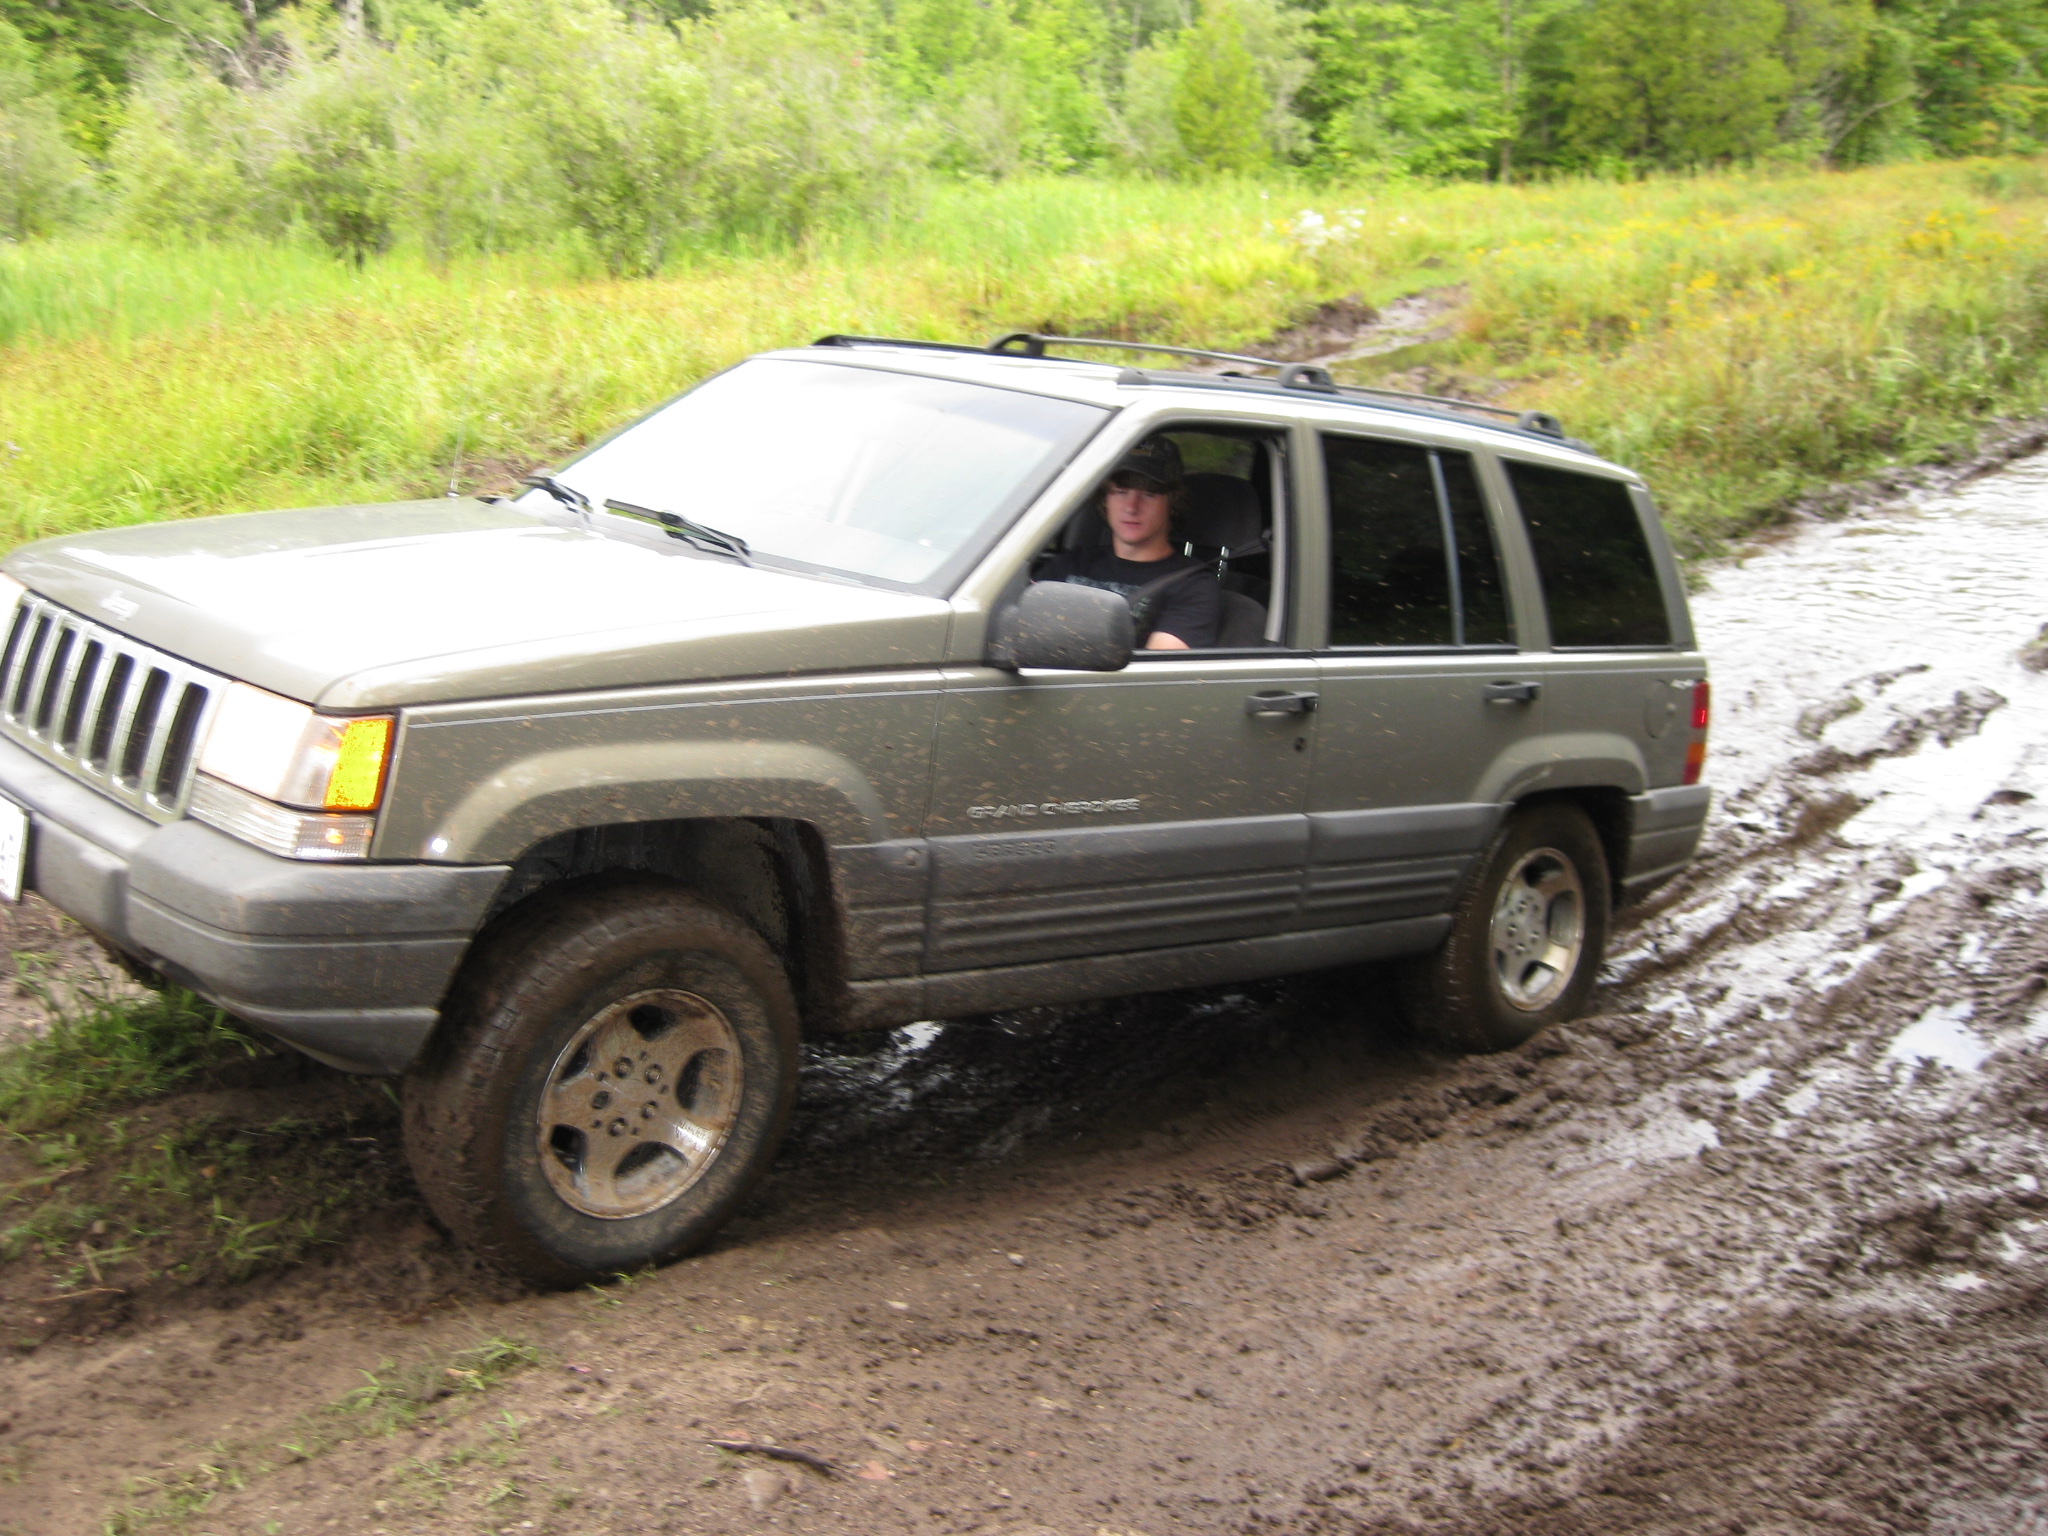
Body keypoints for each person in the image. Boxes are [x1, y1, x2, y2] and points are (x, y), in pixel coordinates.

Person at [1035, 437, 1222, 650]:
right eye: (1121, 492)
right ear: (1105, 499)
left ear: (1172, 502)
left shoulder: (1193, 585)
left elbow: (1155, 674)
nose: (1131, 507)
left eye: (1149, 494)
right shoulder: (1070, 563)